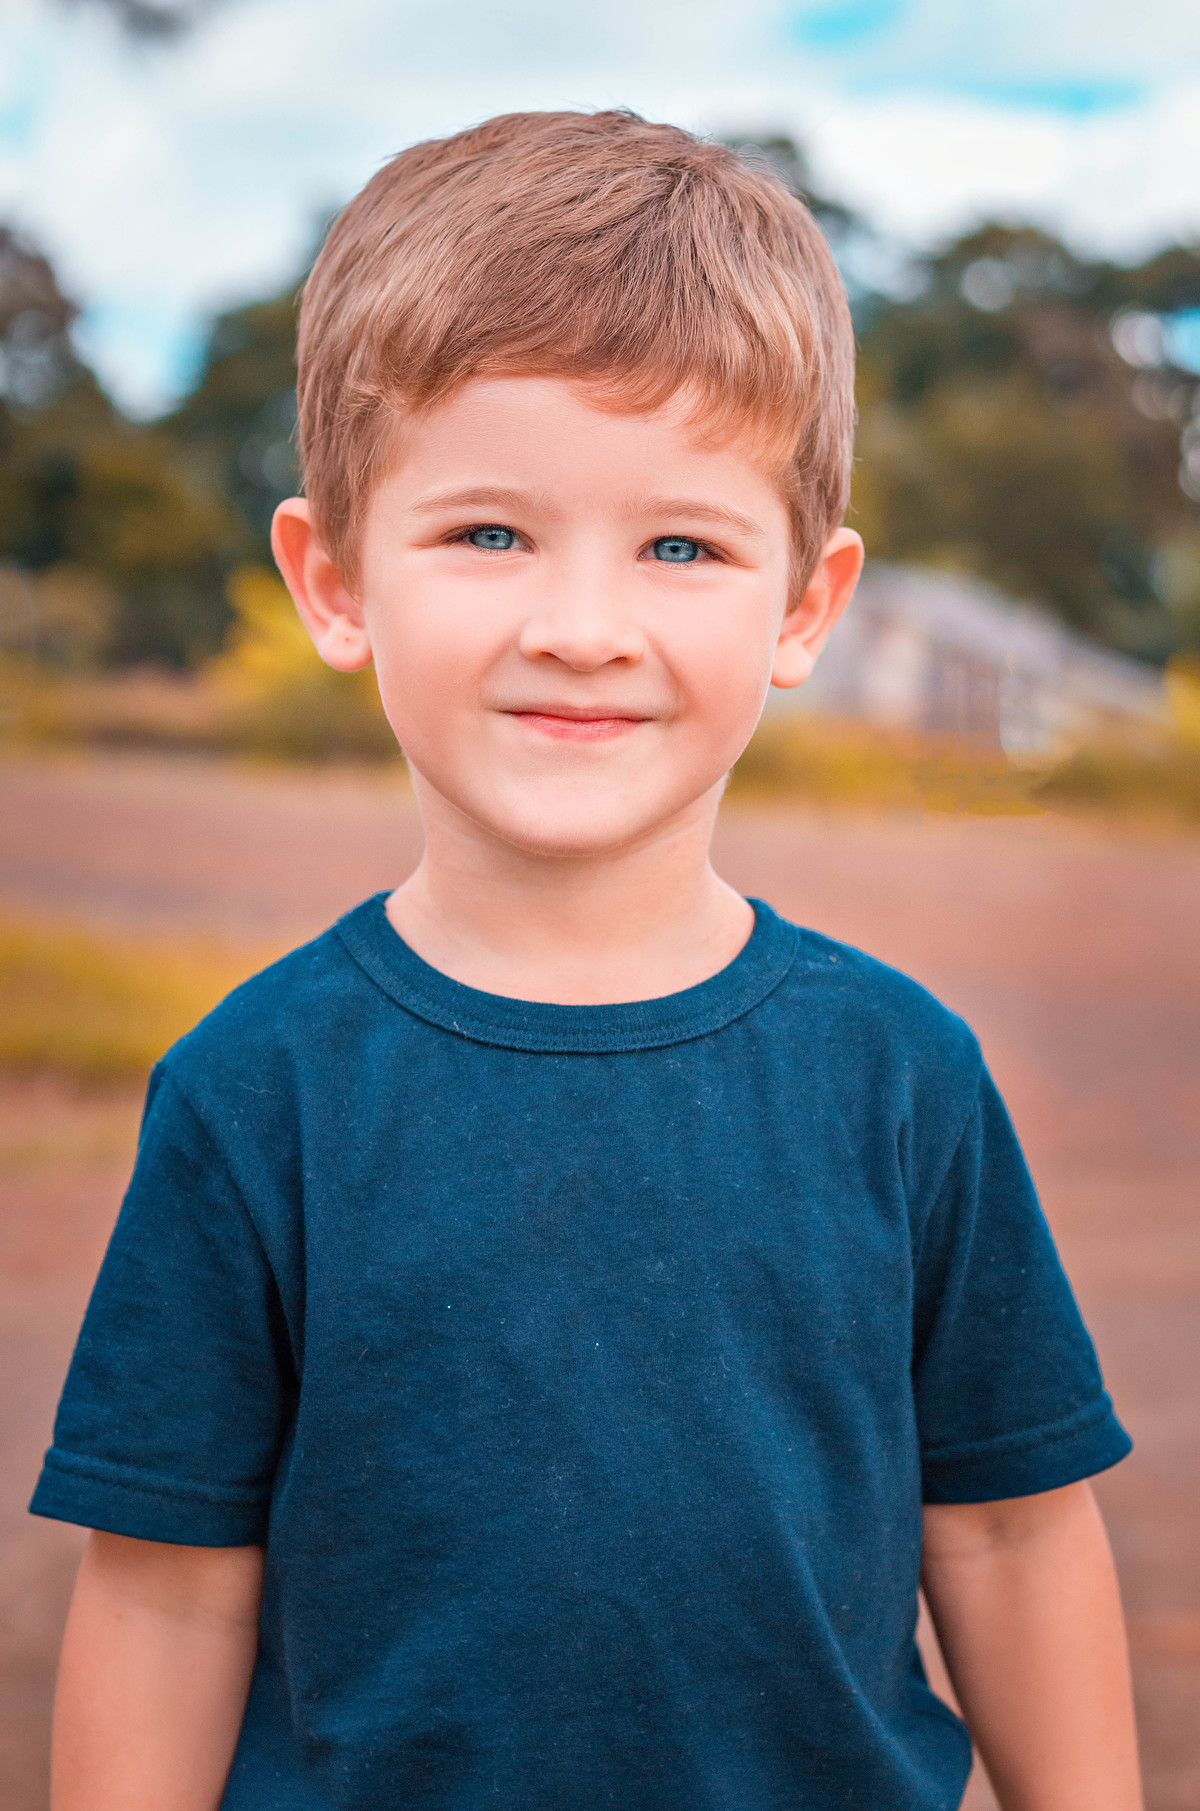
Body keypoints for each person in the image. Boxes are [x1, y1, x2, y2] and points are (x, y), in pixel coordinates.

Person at [33, 111, 1141, 1811]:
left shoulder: (900, 1075)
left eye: (680, 546)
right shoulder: (257, 1092)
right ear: (332, 580)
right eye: (489, 534)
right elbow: (171, 1588)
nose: (582, 623)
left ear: (804, 607)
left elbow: (1004, 1533)